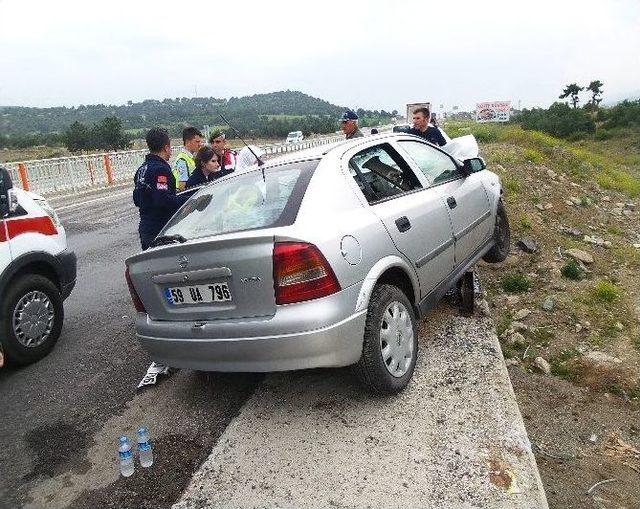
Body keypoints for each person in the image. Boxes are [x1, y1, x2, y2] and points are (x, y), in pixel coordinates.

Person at [133, 127, 189, 250]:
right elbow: (162, 199)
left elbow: (136, 199)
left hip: (146, 227)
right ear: (166, 147)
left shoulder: (141, 169)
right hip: (160, 229)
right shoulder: (160, 169)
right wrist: (188, 200)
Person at [174, 127, 204, 191]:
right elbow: (182, 186)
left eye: (200, 142)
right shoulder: (182, 160)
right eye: (197, 142)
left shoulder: (190, 157)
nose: (200, 144)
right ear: (187, 142)